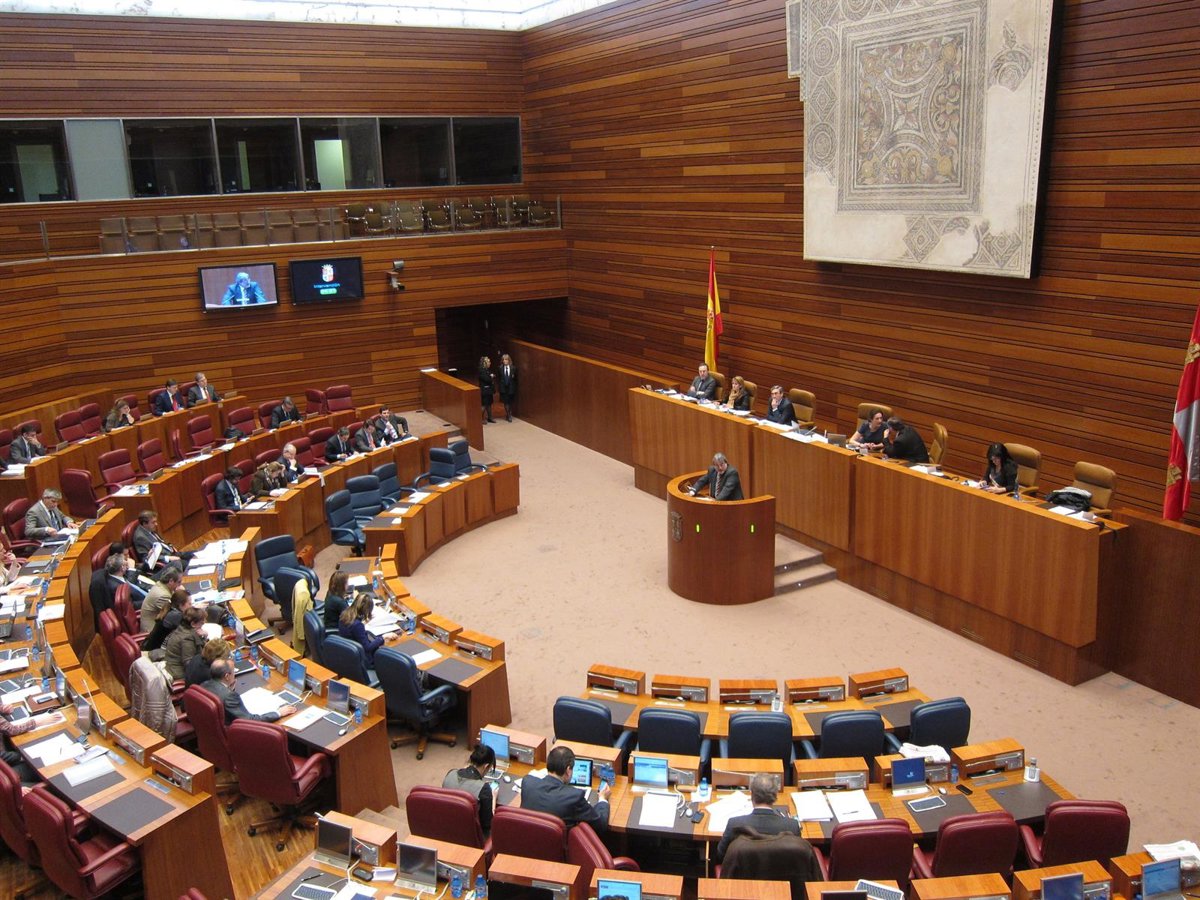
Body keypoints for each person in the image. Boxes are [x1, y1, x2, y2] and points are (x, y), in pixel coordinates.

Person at [715, 773, 804, 863]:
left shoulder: (734, 824)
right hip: (781, 871)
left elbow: (721, 855)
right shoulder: (792, 826)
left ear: (752, 795)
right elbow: (798, 857)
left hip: (743, 871)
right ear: (775, 797)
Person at [519, 745, 610, 832]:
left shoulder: (527, 782)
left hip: (527, 839)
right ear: (568, 770)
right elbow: (600, 825)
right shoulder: (574, 797)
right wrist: (603, 799)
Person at [201, 658, 295, 723]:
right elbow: (250, 721)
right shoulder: (229, 696)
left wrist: (229, 688)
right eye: (233, 672)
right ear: (227, 676)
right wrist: (278, 713)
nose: (234, 674)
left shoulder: (204, 685)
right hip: (232, 735)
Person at [443, 743, 497, 836]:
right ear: (486, 766)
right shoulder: (484, 789)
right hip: (469, 836)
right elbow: (488, 824)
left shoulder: (451, 773)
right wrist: (494, 799)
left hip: (446, 828)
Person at [337, 593, 397, 664]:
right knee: (388, 654)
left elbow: (353, 629)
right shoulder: (357, 625)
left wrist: (363, 621)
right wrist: (383, 637)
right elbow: (367, 648)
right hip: (362, 659)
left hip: (348, 653)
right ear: (366, 610)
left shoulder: (345, 613)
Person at [143, 587, 192, 654]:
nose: (191, 606)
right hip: (156, 652)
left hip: (151, 646)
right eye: (189, 604)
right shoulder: (176, 615)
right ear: (181, 605)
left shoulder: (170, 609)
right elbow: (191, 629)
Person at [164, 607, 208, 681]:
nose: (204, 623)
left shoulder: (182, 628)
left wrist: (204, 637)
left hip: (171, 666)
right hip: (179, 672)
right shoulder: (188, 638)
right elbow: (189, 664)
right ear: (193, 624)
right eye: (201, 622)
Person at [89, 552, 127, 630]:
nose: (127, 561)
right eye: (125, 560)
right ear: (122, 567)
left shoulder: (120, 576)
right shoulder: (116, 588)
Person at [140, 567, 183, 634]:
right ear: (171, 581)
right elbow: (175, 616)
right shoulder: (163, 595)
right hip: (152, 632)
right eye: (179, 582)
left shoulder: (160, 584)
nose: (180, 585)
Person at [498, 353, 518, 422]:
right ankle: (508, 415)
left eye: (506, 359)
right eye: (503, 359)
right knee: (505, 402)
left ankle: (509, 413)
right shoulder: (500, 368)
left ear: (509, 360)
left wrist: (514, 387)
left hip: (511, 387)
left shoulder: (513, 368)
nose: (504, 361)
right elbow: (499, 378)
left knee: (510, 402)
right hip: (503, 388)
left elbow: (516, 379)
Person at [479, 356, 496, 424]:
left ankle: (490, 418)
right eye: (488, 362)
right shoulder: (482, 370)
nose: (490, 363)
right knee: (484, 405)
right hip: (485, 390)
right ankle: (479, 419)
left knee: (489, 404)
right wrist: (491, 376)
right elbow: (487, 379)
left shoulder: (487, 369)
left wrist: (491, 376)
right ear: (484, 363)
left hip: (489, 390)